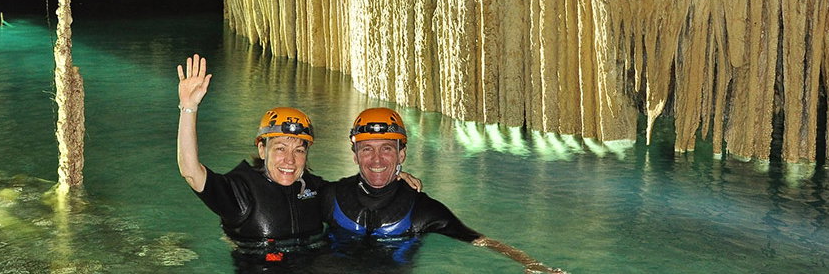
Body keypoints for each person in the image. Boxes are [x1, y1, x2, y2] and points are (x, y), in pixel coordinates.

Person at [321, 107, 568, 274]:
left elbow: (476, 238)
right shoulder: (331, 196)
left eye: (387, 149)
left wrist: (532, 264)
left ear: (401, 154)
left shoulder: (421, 209)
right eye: (367, 149)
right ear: (355, 156)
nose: (377, 159)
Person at [177, 54, 326, 269]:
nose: (290, 160)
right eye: (280, 149)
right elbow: (190, 171)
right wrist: (188, 108)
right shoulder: (240, 193)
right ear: (262, 150)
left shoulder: (316, 188)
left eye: (299, 150)